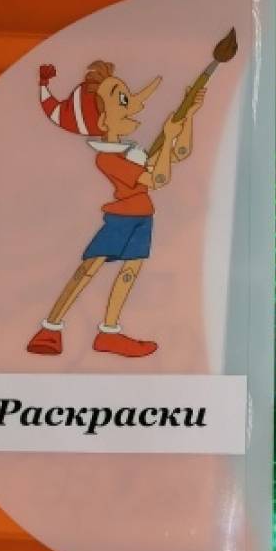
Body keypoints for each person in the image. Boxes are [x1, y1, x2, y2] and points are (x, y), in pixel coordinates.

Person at [26, 60, 203, 358]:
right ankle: (50, 329)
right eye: (122, 100)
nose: (134, 103)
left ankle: (108, 333)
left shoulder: (133, 151)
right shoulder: (107, 159)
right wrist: (168, 136)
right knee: (88, 270)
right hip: (121, 219)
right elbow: (158, 178)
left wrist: (188, 118)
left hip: (143, 217)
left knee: (129, 273)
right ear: (104, 122)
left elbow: (180, 154)